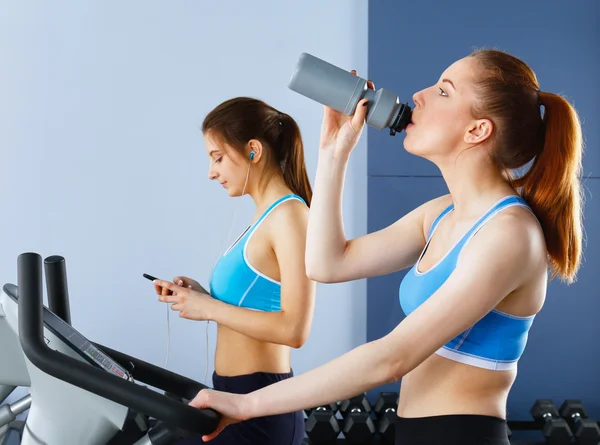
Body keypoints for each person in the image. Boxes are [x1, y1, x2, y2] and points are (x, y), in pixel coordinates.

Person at [184, 49, 585, 445]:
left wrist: (246, 406)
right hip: (414, 432)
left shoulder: (510, 234)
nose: (420, 96)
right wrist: (333, 152)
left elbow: (391, 359)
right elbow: (326, 263)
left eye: (444, 91)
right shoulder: (442, 213)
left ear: (477, 130)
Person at [153, 97, 317, 445]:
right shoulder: (263, 217)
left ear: (253, 151)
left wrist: (209, 309)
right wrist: (199, 296)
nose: (212, 172)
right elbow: (253, 304)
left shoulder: (290, 216)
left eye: (218, 158)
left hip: (261, 403)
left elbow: (295, 329)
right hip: (231, 394)